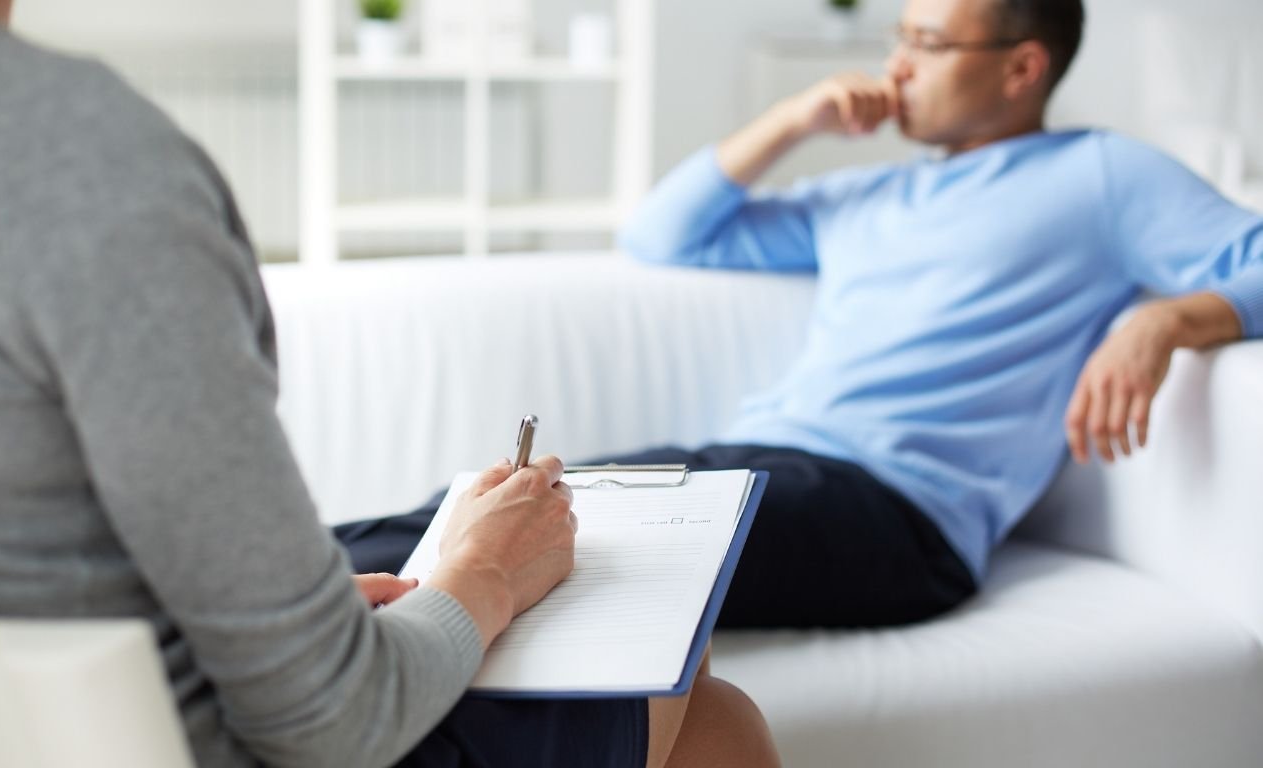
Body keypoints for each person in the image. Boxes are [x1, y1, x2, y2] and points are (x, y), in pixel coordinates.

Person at [0, 1, 779, 766]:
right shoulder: (82, 164)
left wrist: (299, 620)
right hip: (197, 743)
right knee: (681, 670)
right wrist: (483, 574)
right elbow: (331, 720)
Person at [338, 0, 1263, 633]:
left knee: (550, 528)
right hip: (778, 465)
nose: (897, 64)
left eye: (930, 44)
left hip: (901, 521)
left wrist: (1166, 322)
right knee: (492, 507)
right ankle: (277, 592)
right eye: (899, 35)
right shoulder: (870, 197)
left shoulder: (1101, 176)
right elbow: (662, 234)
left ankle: (277, 614)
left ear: (1024, 66)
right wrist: (793, 120)